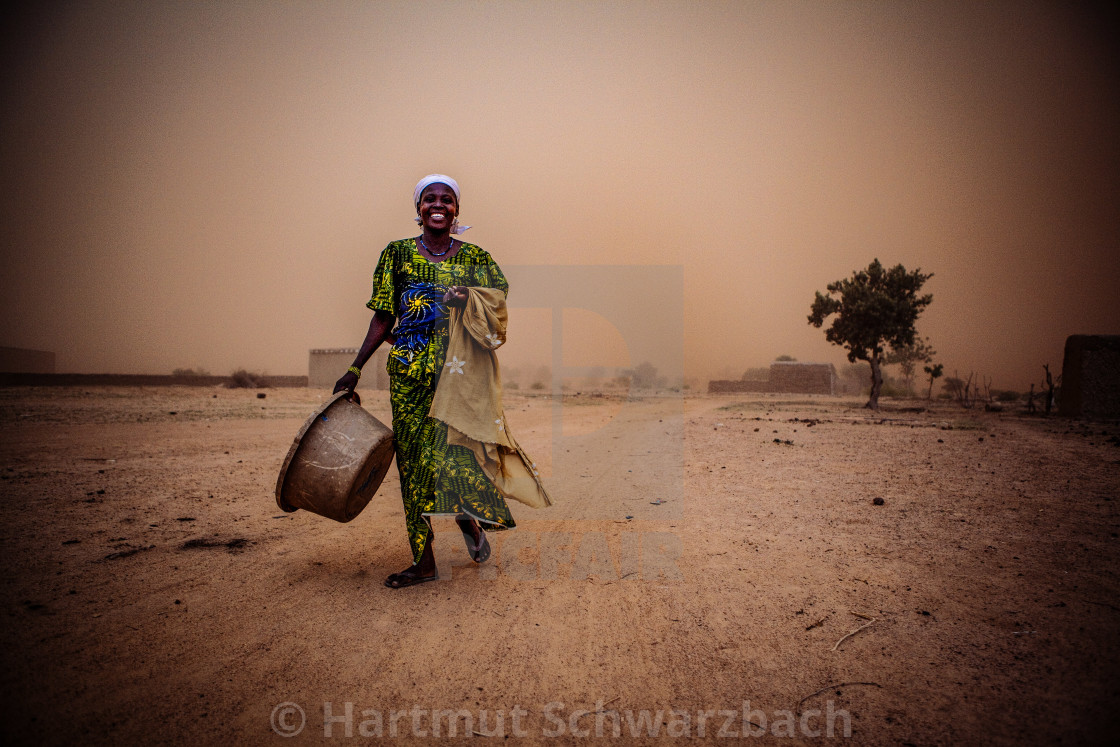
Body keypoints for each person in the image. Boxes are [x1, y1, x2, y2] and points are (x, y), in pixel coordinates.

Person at [334, 174, 520, 588]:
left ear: (457, 211)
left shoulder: (476, 257)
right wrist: (356, 367)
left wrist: (466, 296)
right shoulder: (396, 255)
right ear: (418, 210)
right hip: (409, 377)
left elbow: (497, 303)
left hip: (460, 375)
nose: (438, 205)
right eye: (429, 199)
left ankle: (467, 519)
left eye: (447, 200)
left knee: (458, 456)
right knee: (414, 466)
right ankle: (424, 561)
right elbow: (384, 317)